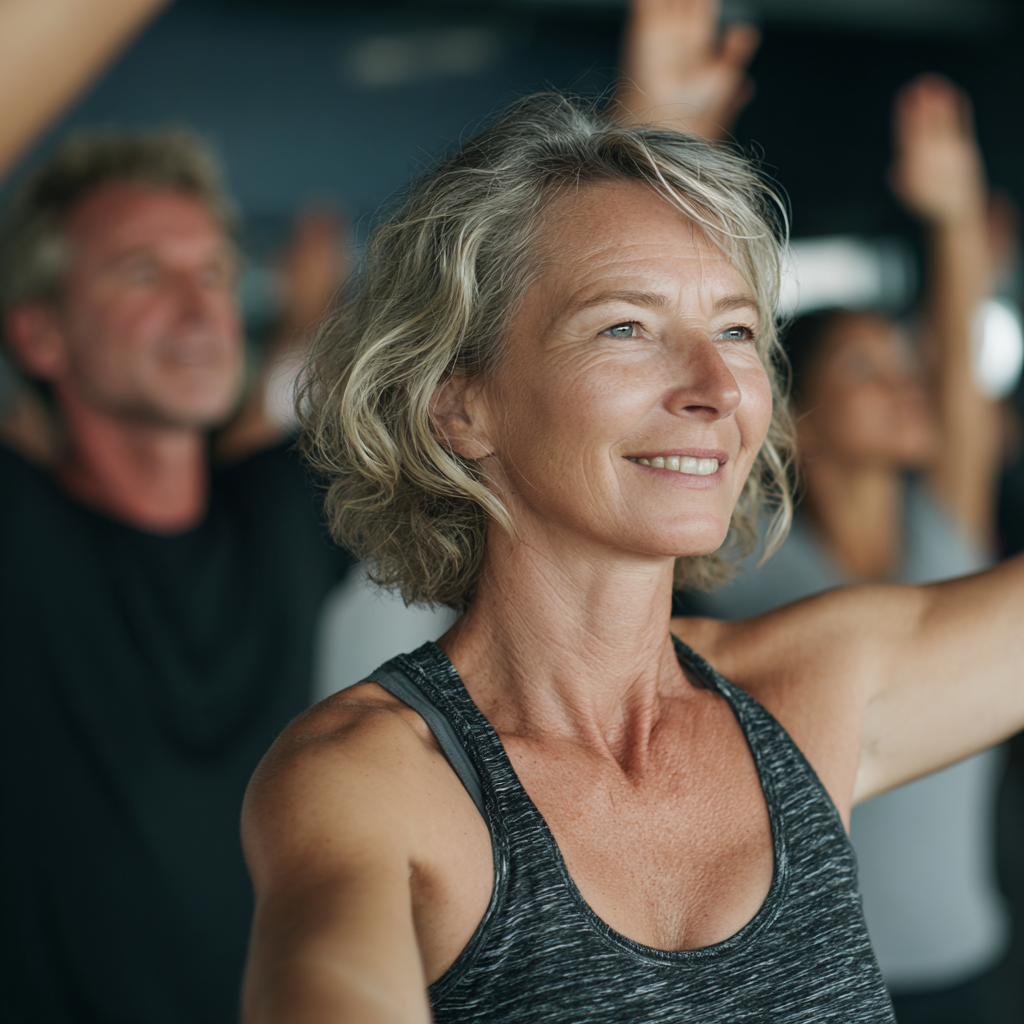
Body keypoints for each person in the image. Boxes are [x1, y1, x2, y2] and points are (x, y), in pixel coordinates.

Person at [239, 92, 1024, 1024]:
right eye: (626, 328)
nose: (717, 388)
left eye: (735, 331)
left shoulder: (812, 693)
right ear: (461, 404)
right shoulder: (375, 779)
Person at [0, 127, 355, 1022]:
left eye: (213, 273)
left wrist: (651, 115)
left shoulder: (282, 510)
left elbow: (520, 371)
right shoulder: (21, 532)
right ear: (40, 335)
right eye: (143, 274)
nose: (200, 310)